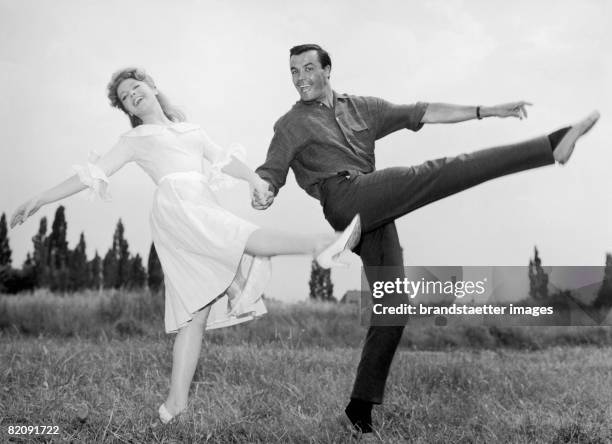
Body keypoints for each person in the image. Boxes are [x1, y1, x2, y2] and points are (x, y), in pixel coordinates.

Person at [253, 43, 600, 436]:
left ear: (328, 70)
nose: (300, 78)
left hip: (372, 211)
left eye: (308, 69)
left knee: (393, 308)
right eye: (294, 72)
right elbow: (270, 174)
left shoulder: (363, 107)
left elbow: (425, 111)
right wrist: (261, 191)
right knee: (435, 172)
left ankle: (359, 411)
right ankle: (552, 145)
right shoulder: (290, 124)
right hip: (344, 198)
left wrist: (488, 110)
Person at [9, 67, 361, 424]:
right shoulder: (135, 140)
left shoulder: (191, 130)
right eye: (125, 97)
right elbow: (92, 174)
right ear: (127, 110)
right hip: (176, 208)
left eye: (136, 87)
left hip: (201, 201)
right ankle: (323, 244)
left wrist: (254, 180)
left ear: (152, 86)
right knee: (240, 237)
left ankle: (173, 406)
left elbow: (223, 159)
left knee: (195, 313)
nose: (133, 95)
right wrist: (41, 198)